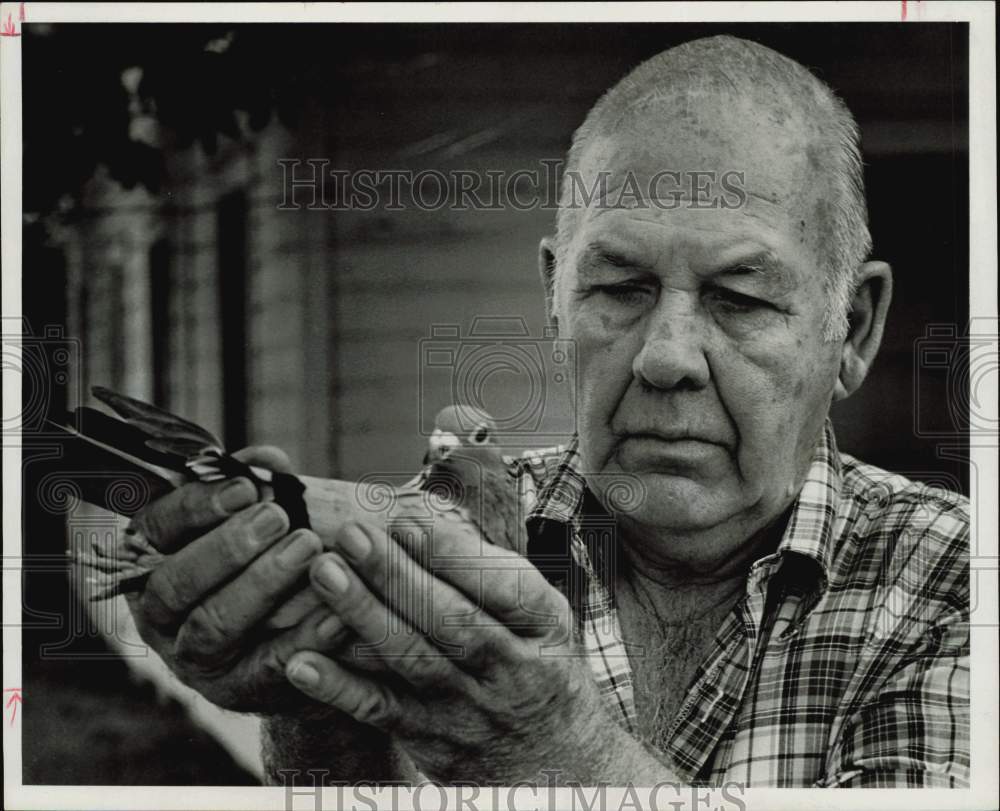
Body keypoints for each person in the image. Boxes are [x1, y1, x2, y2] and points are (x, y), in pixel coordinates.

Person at [122, 35, 969, 788]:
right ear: (555, 299)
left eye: (740, 297)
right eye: (619, 287)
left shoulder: (956, 584)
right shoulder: (439, 528)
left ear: (850, 328)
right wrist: (311, 700)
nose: (665, 355)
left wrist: (549, 748)